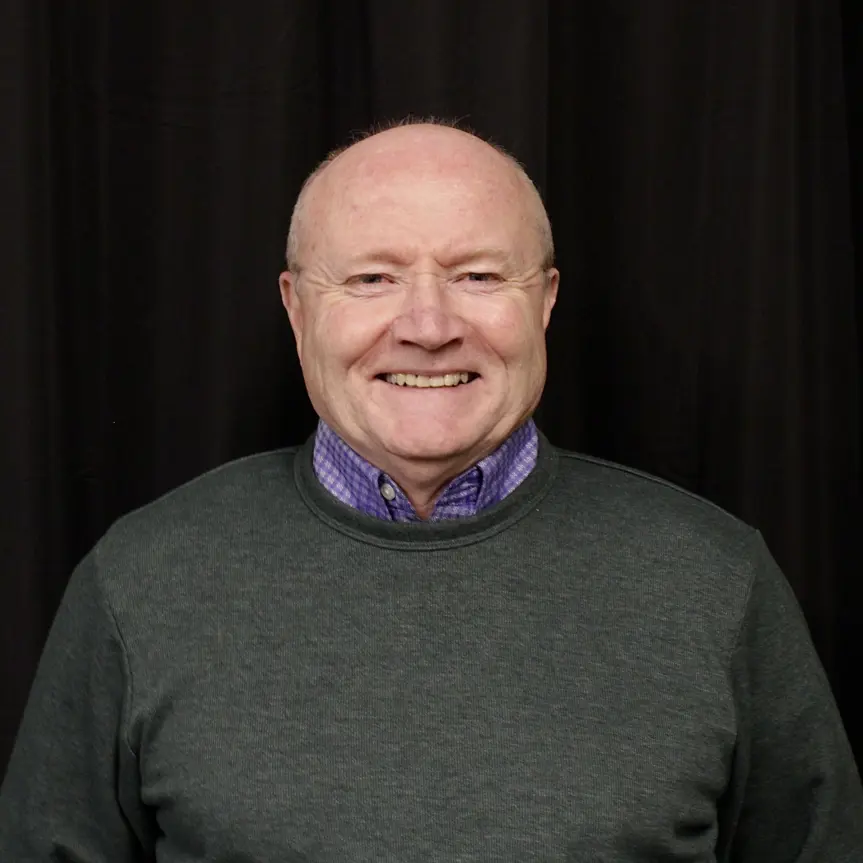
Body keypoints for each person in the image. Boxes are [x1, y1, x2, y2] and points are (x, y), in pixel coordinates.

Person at [1, 118, 861, 861]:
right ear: (297, 309)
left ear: (545, 302)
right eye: (371, 278)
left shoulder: (714, 582)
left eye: (478, 275)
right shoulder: (140, 580)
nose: (428, 325)